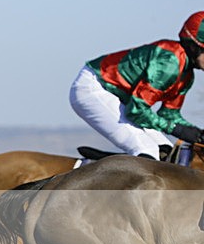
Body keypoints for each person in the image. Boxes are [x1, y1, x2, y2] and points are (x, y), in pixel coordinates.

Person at [69, 11, 204, 161]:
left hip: (118, 97)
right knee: (147, 150)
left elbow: (169, 115)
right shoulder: (169, 62)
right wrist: (177, 129)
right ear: (194, 47)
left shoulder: (187, 75)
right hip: (94, 88)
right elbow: (137, 111)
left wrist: (197, 134)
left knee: (167, 152)